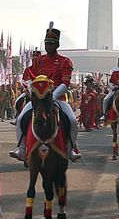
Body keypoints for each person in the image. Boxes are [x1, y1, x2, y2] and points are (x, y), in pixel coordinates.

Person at [11, 22, 80, 161]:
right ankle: (22, 148)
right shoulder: (38, 61)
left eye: (52, 43)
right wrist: (32, 89)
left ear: (57, 45)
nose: (49, 46)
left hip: (57, 98)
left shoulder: (64, 61)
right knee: (20, 119)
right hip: (38, 99)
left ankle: (70, 149)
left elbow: (65, 83)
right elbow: (30, 78)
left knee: (72, 121)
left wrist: (52, 96)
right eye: (47, 43)